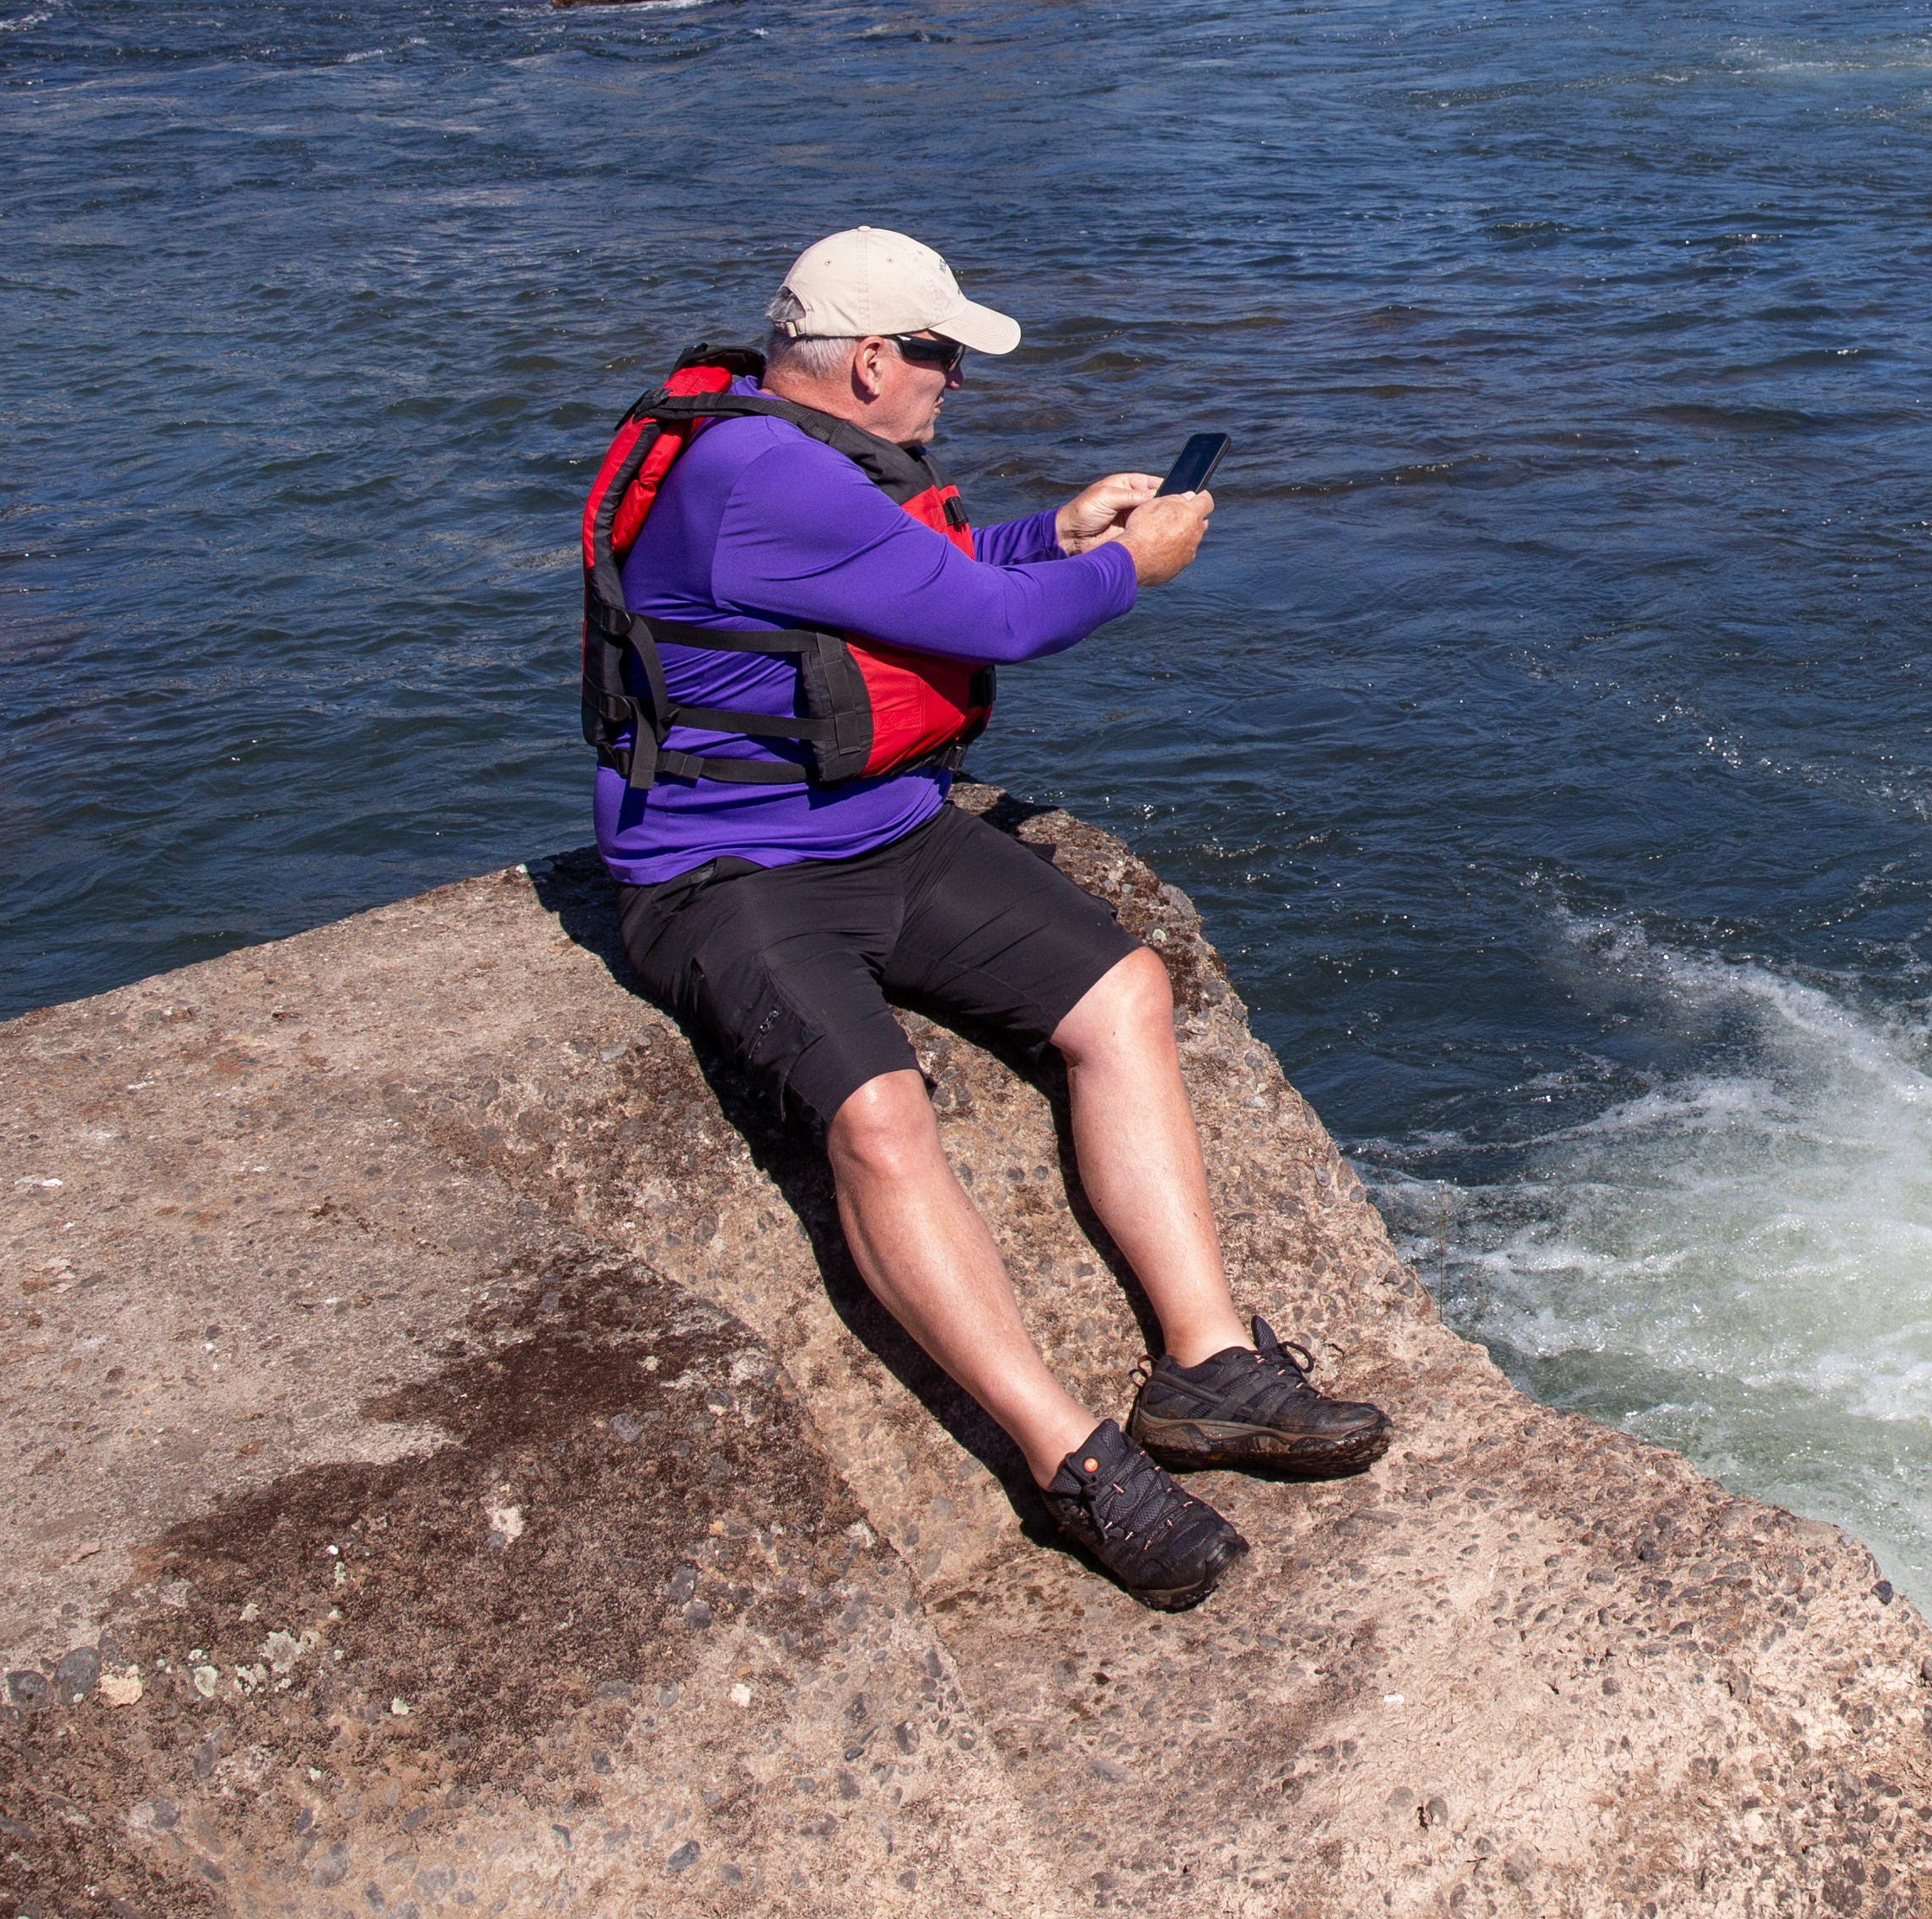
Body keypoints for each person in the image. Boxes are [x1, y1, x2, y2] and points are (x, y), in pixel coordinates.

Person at [578, 225, 1381, 1610]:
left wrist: (1057, 533)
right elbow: (995, 626)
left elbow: (912, 585)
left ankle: (1209, 1364)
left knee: (1124, 993)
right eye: (945, 356)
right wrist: (1137, 567)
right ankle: (1067, 1457)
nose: (958, 381)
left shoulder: (797, 446)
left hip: (884, 828)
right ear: (873, 361)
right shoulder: (758, 474)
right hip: (726, 872)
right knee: (882, 1119)